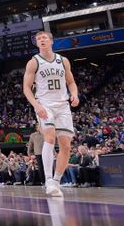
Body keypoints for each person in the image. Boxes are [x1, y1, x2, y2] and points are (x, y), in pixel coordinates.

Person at [23, 31, 79, 198]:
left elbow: (71, 82)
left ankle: (56, 180)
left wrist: (74, 94)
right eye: (38, 39)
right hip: (45, 104)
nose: (41, 40)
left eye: (44, 38)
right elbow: (26, 88)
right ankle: (47, 179)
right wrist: (36, 105)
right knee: (49, 137)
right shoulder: (33, 62)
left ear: (51, 41)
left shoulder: (63, 60)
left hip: (62, 105)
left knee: (66, 145)